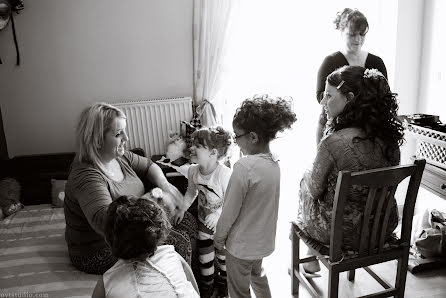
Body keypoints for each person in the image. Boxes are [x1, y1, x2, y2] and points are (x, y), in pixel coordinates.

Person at [64, 102, 195, 274]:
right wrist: (152, 201)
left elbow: (149, 166)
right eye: (119, 134)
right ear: (97, 140)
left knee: (188, 221)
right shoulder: (87, 176)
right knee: (180, 243)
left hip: (135, 226)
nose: (127, 138)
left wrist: (165, 185)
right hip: (100, 249)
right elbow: (108, 223)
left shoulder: (119, 155)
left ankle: (200, 282)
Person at [297, 65, 404, 275]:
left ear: (349, 98)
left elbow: (315, 191)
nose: (322, 102)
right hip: (382, 228)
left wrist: (308, 175)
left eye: (328, 95)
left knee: (304, 183)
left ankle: (307, 251)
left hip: (341, 235)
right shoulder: (389, 139)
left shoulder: (333, 142)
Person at [214, 94, 297, 298]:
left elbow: (229, 211)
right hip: (261, 244)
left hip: (240, 247)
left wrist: (218, 238)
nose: (235, 143)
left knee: (239, 290)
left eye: (237, 137)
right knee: (257, 275)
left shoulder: (244, 167)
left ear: (253, 137)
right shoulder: (274, 164)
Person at [91, 195, 200, 298]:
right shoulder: (171, 255)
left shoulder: (107, 281)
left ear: (108, 239)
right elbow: (194, 291)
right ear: (157, 234)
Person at [173, 126, 233, 298]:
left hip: (222, 225)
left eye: (198, 146)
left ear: (213, 153)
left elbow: (232, 200)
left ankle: (225, 285)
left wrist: (218, 214)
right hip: (203, 222)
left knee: (223, 260)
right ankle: (207, 287)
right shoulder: (193, 171)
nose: (192, 148)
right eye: (193, 144)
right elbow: (192, 192)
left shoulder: (224, 174)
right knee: (204, 258)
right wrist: (183, 208)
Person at [315, 8, 388, 144]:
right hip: (333, 127)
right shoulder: (330, 61)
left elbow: (384, 96)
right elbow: (320, 97)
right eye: (352, 35)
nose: (358, 39)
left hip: (368, 129)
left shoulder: (376, 62)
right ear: (342, 32)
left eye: (362, 34)